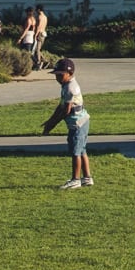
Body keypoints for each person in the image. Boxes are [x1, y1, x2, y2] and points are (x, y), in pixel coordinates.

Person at [41, 58, 93, 189]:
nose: (58, 78)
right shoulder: (66, 85)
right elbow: (60, 107)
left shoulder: (70, 87)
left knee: (76, 152)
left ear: (69, 73)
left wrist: (52, 125)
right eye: (56, 75)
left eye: (60, 75)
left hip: (78, 124)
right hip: (80, 122)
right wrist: (50, 120)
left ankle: (75, 180)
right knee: (81, 150)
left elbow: (66, 111)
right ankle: (87, 178)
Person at [32, 6, 50, 73]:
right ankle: (44, 61)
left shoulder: (39, 17)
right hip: (44, 33)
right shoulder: (45, 17)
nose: (36, 11)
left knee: (37, 50)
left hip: (39, 34)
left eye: (36, 10)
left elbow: (38, 27)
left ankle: (39, 63)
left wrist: (35, 35)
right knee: (38, 49)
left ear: (39, 10)